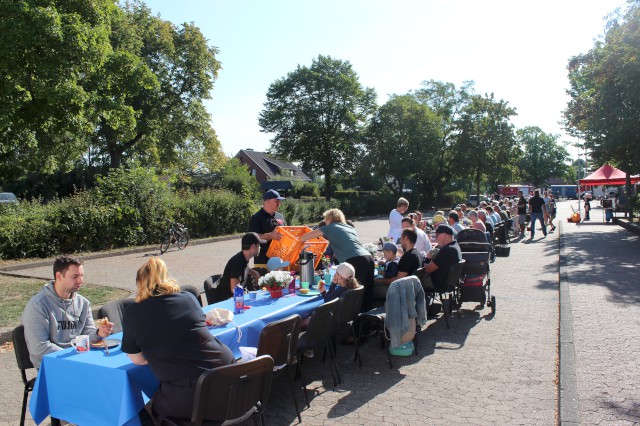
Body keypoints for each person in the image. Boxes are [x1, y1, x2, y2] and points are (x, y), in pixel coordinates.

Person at [122, 257, 234, 421]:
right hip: (227, 376)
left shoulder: (133, 312)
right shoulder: (187, 298)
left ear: (139, 283)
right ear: (166, 278)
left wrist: (156, 353)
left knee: (147, 407)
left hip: (192, 393)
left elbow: (137, 360)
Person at [22, 255, 114, 369]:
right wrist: (73, 357)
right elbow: (40, 348)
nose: (81, 280)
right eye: (75, 276)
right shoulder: (38, 305)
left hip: (77, 359)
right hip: (51, 365)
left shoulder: (83, 303)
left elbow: (88, 334)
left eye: (81, 276)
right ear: (59, 276)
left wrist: (99, 333)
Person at [300, 208, 375, 311]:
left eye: (325, 220)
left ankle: (355, 322)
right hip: (368, 258)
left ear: (329, 218)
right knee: (366, 292)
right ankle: (368, 321)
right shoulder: (349, 228)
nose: (325, 222)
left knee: (353, 295)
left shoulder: (330, 227)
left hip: (355, 261)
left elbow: (304, 237)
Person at [212, 232, 263, 303]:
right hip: (229, 302)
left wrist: (255, 273)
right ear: (253, 247)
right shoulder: (237, 262)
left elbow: (244, 268)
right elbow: (235, 289)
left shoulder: (243, 258)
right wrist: (246, 296)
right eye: (259, 245)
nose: (260, 247)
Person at [248, 189, 286, 271]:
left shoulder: (280, 216)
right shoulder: (256, 218)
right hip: (263, 262)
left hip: (279, 261)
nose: (279, 203)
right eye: (277, 201)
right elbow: (252, 237)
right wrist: (271, 235)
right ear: (267, 201)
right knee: (265, 284)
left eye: (280, 201)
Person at [422, 225, 462, 293]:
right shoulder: (455, 246)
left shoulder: (447, 250)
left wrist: (427, 258)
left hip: (438, 283)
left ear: (444, 235)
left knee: (413, 277)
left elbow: (427, 269)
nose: (436, 238)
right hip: (449, 282)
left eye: (437, 235)